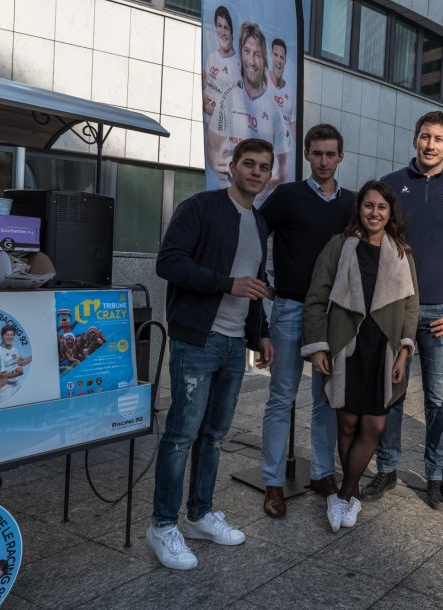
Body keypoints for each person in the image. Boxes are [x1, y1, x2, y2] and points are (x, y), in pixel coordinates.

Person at [148, 138, 276, 571]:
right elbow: (168, 262)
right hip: (196, 340)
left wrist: (262, 336)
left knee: (215, 435)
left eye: (263, 167)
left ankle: (199, 514)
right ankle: (163, 524)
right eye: (249, 164)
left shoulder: (259, 222)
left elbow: (255, 286)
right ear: (232, 166)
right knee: (182, 433)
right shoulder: (200, 207)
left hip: (234, 342)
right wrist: (226, 282)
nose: (256, 172)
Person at [363, 110, 443, 510]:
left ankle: (436, 477)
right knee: (391, 392)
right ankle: (387, 468)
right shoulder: (391, 186)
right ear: (414, 140)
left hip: (442, 314)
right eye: (424, 137)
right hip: (396, 308)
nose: (430, 144)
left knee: (437, 398)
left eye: (438, 139)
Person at [302, 181, 419, 532]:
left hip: (382, 349)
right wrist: (319, 345)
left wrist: (403, 352)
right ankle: (347, 499)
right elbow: (316, 298)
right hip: (346, 346)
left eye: (382, 207)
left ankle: (343, 494)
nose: (374, 212)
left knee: (375, 424)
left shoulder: (401, 252)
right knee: (348, 423)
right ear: (360, 209)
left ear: (390, 212)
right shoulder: (339, 246)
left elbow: (412, 307)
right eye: (368, 206)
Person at [258, 124, 354, 517]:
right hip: (291, 308)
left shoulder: (352, 204)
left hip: (333, 316)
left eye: (331, 154)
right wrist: (260, 282)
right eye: (317, 154)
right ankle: (273, 482)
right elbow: (252, 234)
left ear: (340, 157)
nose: (324, 161)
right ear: (306, 155)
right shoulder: (286, 196)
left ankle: (321, 473)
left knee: (325, 400)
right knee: (281, 397)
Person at [207, 22, 290, 198]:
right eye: (247, 51)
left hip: (260, 206)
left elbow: (284, 169)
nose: (251, 61)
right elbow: (212, 147)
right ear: (240, 54)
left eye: (257, 54)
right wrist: (215, 162)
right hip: (227, 200)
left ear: (264, 58)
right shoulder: (228, 97)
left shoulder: (274, 110)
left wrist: (267, 183)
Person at [202, 6, 239, 121]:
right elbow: (203, 86)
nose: (222, 32)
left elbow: (237, 105)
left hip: (224, 131)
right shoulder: (212, 57)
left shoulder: (239, 64)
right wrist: (204, 102)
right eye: (219, 26)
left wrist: (217, 110)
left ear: (232, 32)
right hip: (206, 126)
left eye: (226, 28)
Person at [0, 325, 32, 401]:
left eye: (12, 335)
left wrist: (33, 356)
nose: (9, 337)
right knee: (7, 410)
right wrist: (16, 373)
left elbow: (20, 362)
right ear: (2, 336)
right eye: (7, 334)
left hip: (17, 385)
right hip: (5, 388)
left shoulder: (14, 349)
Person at [268, 38, 296, 140]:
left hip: (283, 154)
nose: (278, 61)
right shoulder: (260, 80)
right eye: (276, 55)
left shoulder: (290, 92)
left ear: (285, 60)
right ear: (271, 55)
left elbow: (294, 127)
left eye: (281, 57)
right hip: (263, 151)